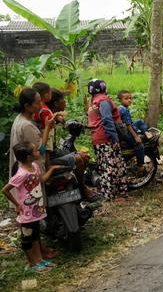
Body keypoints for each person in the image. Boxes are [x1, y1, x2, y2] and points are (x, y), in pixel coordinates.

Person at [2, 142, 60, 273]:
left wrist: (51, 170)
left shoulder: (34, 166)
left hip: (36, 209)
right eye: (35, 151)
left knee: (35, 236)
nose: (38, 152)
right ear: (29, 157)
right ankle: (32, 263)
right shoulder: (21, 174)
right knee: (27, 238)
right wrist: (17, 204)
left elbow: (40, 181)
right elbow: (5, 190)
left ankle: (39, 260)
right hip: (26, 213)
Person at [45, 89, 96, 201]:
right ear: (56, 103)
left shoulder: (50, 115)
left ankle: (79, 185)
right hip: (47, 159)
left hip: (53, 152)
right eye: (63, 99)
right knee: (79, 158)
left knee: (84, 156)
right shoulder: (48, 121)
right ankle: (83, 188)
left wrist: (61, 120)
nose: (65, 101)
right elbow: (46, 149)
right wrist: (48, 167)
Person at [87, 79, 128, 201]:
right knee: (113, 166)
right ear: (103, 87)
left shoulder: (93, 102)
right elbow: (107, 120)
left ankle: (108, 194)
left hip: (97, 138)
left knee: (104, 166)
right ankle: (113, 195)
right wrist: (114, 138)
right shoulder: (103, 100)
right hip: (106, 138)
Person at [117, 90, 147, 174]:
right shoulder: (124, 110)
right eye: (126, 98)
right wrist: (136, 137)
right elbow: (128, 125)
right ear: (120, 100)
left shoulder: (120, 108)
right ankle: (140, 165)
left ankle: (146, 133)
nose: (129, 100)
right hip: (125, 132)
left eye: (130, 98)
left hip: (123, 130)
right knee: (140, 145)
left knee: (139, 121)